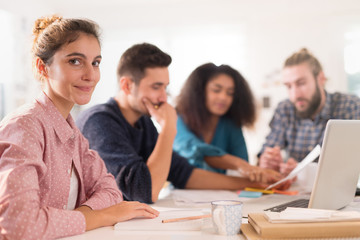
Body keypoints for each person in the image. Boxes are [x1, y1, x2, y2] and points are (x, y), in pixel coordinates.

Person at [0, 16, 158, 240]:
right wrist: (102, 216)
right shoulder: (25, 126)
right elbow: (19, 226)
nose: (90, 75)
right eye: (75, 61)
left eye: (95, 63)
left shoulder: (71, 132)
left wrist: (81, 216)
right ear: (42, 67)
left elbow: (111, 191)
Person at [76, 43, 287, 204]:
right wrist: (169, 127)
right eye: (156, 87)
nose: (163, 98)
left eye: (165, 87)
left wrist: (255, 183)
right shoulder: (99, 121)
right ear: (127, 85)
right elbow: (144, 192)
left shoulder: (143, 123)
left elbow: (184, 174)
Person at [258, 48, 360, 176]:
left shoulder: (350, 106)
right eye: (288, 86)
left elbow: (353, 164)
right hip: (296, 193)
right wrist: (267, 161)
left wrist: (304, 171)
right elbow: (268, 150)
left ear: (321, 79)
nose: (295, 95)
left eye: (301, 83)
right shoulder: (284, 109)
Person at [174, 63, 280, 181]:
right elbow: (194, 149)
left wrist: (262, 171)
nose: (224, 97)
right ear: (199, 91)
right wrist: (240, 165)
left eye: (230, 93)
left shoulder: (230, 124)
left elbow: (244, 165)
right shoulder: (178, 118)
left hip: (221, 196)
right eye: (216, 90)